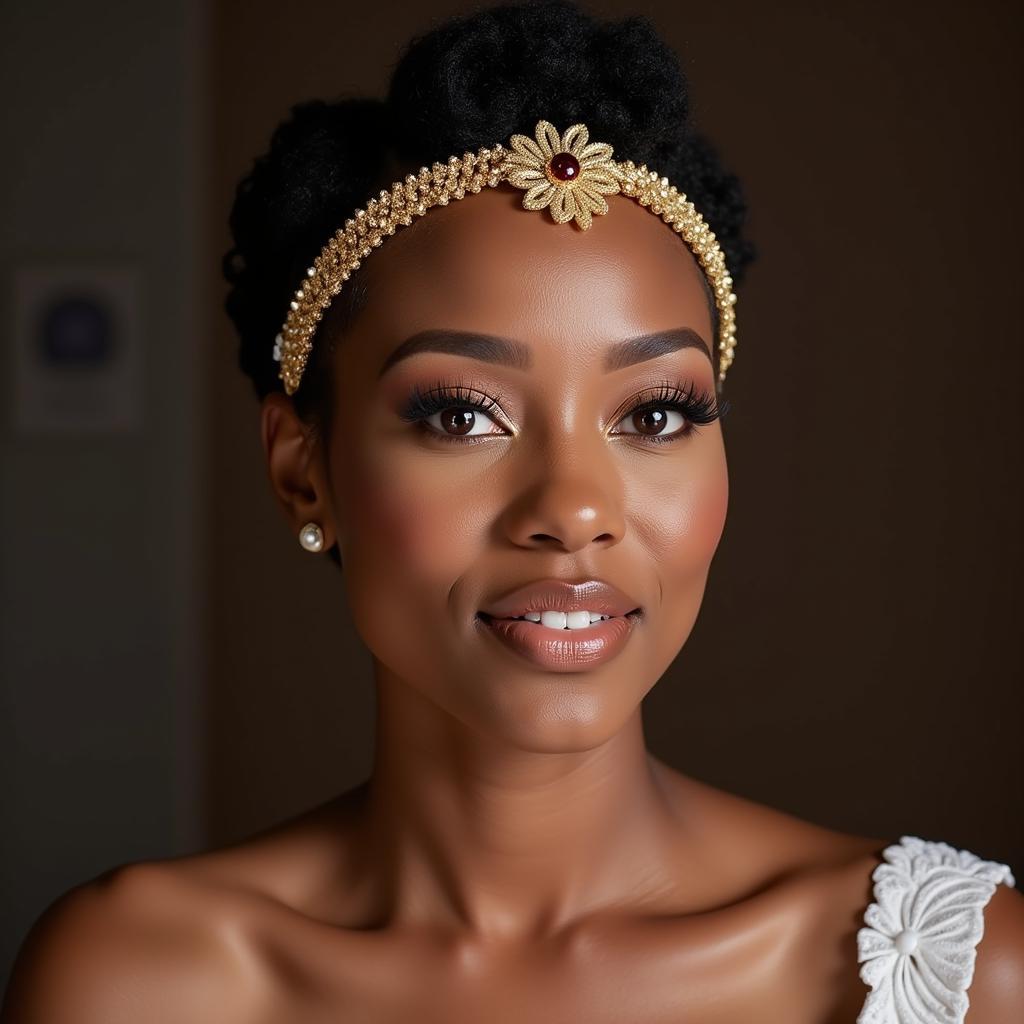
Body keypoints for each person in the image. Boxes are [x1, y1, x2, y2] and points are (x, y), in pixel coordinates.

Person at [3, 2, 1022, 1021]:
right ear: (300, 470)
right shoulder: (133, 981)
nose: (572, 508)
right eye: (461, 414)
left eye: (656, 411)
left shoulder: (960, 970)